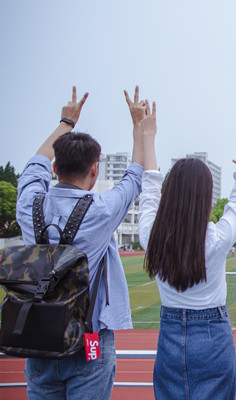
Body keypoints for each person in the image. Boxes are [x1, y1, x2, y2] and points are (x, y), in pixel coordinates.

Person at [16, 85, 151, 399]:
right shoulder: (101, 211)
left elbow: (35, 163)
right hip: (87, 341)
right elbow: (136, 175)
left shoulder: (27, 206)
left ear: (55, 169)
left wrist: (66, 122)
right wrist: (138, 126)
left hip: (38, 341)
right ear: (95, 169)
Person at [138, 88, 236, 399]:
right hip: (213, 336)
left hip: (169, 335)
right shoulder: (217, 239)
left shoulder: (150, 235)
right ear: (206, 199)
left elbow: (150, 186)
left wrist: (148, 135)